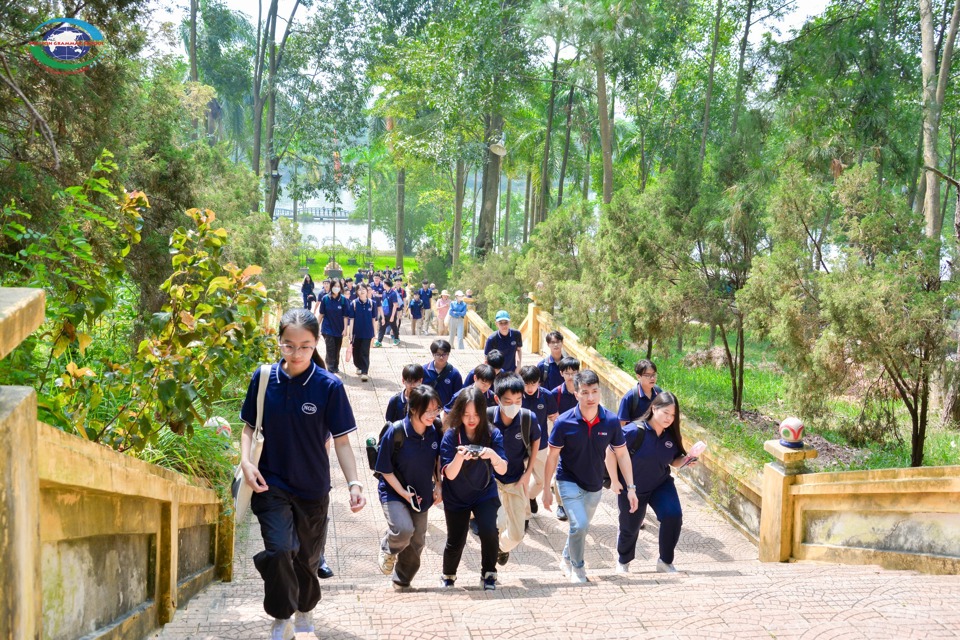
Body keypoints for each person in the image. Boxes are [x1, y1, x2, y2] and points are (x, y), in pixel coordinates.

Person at [239, 308, 366, 639]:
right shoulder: (263, 378)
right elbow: (249, 428)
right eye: (289, 345)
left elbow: (341, 442)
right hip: (271, 483)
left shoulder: (328, 386)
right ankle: (282, 617)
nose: (296, 354)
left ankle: (305, 608)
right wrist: (245, 462)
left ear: (316, 345)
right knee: (281, 548)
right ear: (279, 342)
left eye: (305, 346)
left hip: (312, 488)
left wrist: (354, 483)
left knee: (306, 559)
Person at [541, 370, 638, 585]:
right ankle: (578, 568)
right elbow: (552, 456)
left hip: (594, 484)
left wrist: (630, 487)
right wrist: (547, 488)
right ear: (576, 394)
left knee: (580, 527)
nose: (590, 397)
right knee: (580, 525)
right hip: (568, 480)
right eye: (585, 392)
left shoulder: (611, 421)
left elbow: (621, 453)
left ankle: (566, 558)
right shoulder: (564, 423)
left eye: (594, 391)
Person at [607, 391, 692, 574]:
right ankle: (624, 561)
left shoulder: (670, 436)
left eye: (673, 415)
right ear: (654, 408)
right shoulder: (634, 431)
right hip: (633, 487)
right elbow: (611, 451)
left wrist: (687, 460)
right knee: (630, 527)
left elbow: (674, 460)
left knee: (673, 516)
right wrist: (614, 481)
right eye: (665, 413)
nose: (669, 418)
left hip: (661, 484)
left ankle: (665, 561)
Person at [375, 385, 444, 588]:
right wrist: (404, 494)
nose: (433, 414)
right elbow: (385, 470)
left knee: (417, 542)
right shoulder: (396, 431)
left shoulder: (436, 430)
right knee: (404, 530)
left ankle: (402, 579)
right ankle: (388, 548)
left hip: (421, 494)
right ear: (413, 409)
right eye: (428, 410)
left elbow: (437, 460)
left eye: (436, 409)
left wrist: (438, 484)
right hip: (394, 491)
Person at [439, 387, 508, 590]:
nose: (471, 419)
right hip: (456, 495)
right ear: (459, 413)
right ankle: (448, 575)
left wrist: (491, 455)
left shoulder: (491, 433)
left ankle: (489, 573)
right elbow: (449, 474)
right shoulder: (451, 436)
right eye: (466, 414)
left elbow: (503, 468)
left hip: (484, 492)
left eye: (476, 414)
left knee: (489, 531)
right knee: (456, 539)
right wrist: (460, 456)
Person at [488, 373, 540, 566]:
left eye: (518, 400)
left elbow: (536, 440)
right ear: (497, 398)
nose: (514, 405)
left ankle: (502, 548)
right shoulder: (487, 417)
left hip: (516, 480)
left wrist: (528, 474)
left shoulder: (528, 418)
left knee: (517, 534)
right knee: (498, 523)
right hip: (493, 481)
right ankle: (492, 552)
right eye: (508, 401)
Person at [519, 365, 559, 518]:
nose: (530, 388)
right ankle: (525, 516)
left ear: (539, 382)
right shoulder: (515, 394)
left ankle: (530, 497)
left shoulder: (546, 396)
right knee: (521, 481)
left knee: (541, 480)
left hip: (541, 445)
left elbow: (554, 418)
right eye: (526, 383)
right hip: (519, 445)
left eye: (533, 383)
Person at [317, 278, 349, 376]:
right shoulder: (325, 299)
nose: (336, 288)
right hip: (327, 328)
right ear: (331, 287)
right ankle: (330, 368)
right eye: (334, 286)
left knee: (337, 349)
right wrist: (316, 327)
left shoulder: (343, 300)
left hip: (339, 329)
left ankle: (335, 366)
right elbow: (321, 314)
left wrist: (345, 329)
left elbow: (345, 316)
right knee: (330, 348)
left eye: (338, 286)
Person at [617, 359, 663, 426]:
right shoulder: (630, 397)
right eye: (648, 375)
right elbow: (621, 424)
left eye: (654, 374)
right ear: (638, 376)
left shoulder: (659, 393)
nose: (652, 378)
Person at [346, 283, 375, 382]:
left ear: (367, 291)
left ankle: (365, 372)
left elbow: (373, 319)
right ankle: (358, 366)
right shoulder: (353, 303)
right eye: (359, 289)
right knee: (356, 351)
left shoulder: (372, 303)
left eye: (363, 289)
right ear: (357, 292)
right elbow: (352, 320)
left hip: (367, 333)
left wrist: (374, 333)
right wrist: (350, 334)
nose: (361, 291)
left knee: (364, 351)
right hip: (356, 333)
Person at [422, 339, 463, 408]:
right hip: (426, 409)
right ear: (433, 354)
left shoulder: (454, 373)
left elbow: (458, 395)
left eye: (444, 354)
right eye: (438, 354)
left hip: (446, 412)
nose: (441, 357)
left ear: (448, 354)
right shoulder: (424, 370)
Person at [375, 279, 401, 347]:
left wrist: (392, 316)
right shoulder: (384, 292)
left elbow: (395, 305)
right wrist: (382, 315)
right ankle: (379, 341)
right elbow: (383, 303)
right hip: (384, 314)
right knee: (382, 328)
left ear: (386, 284)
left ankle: (396, 339)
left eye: (383, 283)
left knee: (394, 327)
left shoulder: (393, 293)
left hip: (391, 314)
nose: (382, 285)